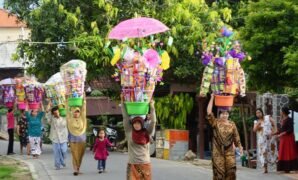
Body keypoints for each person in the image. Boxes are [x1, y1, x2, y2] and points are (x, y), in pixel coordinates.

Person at [207, 94, 243, 180]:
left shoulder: (232, 124)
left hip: (229, 152)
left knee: (231, 171)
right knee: (219, 174)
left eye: (226, 113)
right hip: (217, 152)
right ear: (219, 115)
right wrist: (212, 97)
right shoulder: (215, 122)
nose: (225, 115)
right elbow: (209, 112)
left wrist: (240, 147)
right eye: (222, 113)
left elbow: (236, 137)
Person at [121, 95, 156, 180]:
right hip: (132, 164)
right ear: (132, 124)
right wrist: (123, 103)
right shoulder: (129, 132)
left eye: (138, 123)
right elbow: (125, 117)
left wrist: (152, 107)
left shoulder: (147, 133)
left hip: (145, 164)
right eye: (135, 123)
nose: (136, 125)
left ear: (142, 124)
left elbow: (153, 122)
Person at [66, 97, 87, 176]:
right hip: (73, 139)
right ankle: (75, 169)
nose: (76, 113)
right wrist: (67, 100)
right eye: (75, 112)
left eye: (77, 112)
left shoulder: (83, 118)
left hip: (82, 139)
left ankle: (78, 168)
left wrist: (84, 100)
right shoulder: (69, 118)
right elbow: (67, 111)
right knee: (74, 154)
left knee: (80, 154)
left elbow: (84, 110)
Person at [273, 107, 298, 173]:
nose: (280, 112)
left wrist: (281, 134)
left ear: (283, 112)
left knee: (290, 153)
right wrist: (273, 133)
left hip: (289, 139)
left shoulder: (289, 119)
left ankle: (294, 168)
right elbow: (281, 129)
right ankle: (285, 168)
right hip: (283, 139)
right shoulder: (282, 120)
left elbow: (290, 130)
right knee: (283, 152)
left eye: (281, 111)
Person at [253, 108, 278, 173]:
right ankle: (265, 169)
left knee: (272, 152)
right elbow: (254, 130)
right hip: (262, 140)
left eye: (259, 112)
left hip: (270, 139)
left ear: (262, 112)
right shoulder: (256, 121)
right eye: (257, 113)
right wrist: (258, 124)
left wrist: (274, 131)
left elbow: (274, 123)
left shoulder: (267, 117)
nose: (258, 114)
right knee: (263, 153)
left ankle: (276, 166)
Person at [46, 102, 68, 170]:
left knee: (63, 151)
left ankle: (61, 160)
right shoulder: (52, 119)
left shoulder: (64, 117)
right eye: (55, 113)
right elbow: (47, 113)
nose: (56, 114)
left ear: (59, 112)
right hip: (55, 138)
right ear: (53, 114)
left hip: (64, 137)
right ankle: (57, 165)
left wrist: (64, 105)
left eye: (57, 112)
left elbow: (68, 112)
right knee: (56, 152)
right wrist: (49, 104)